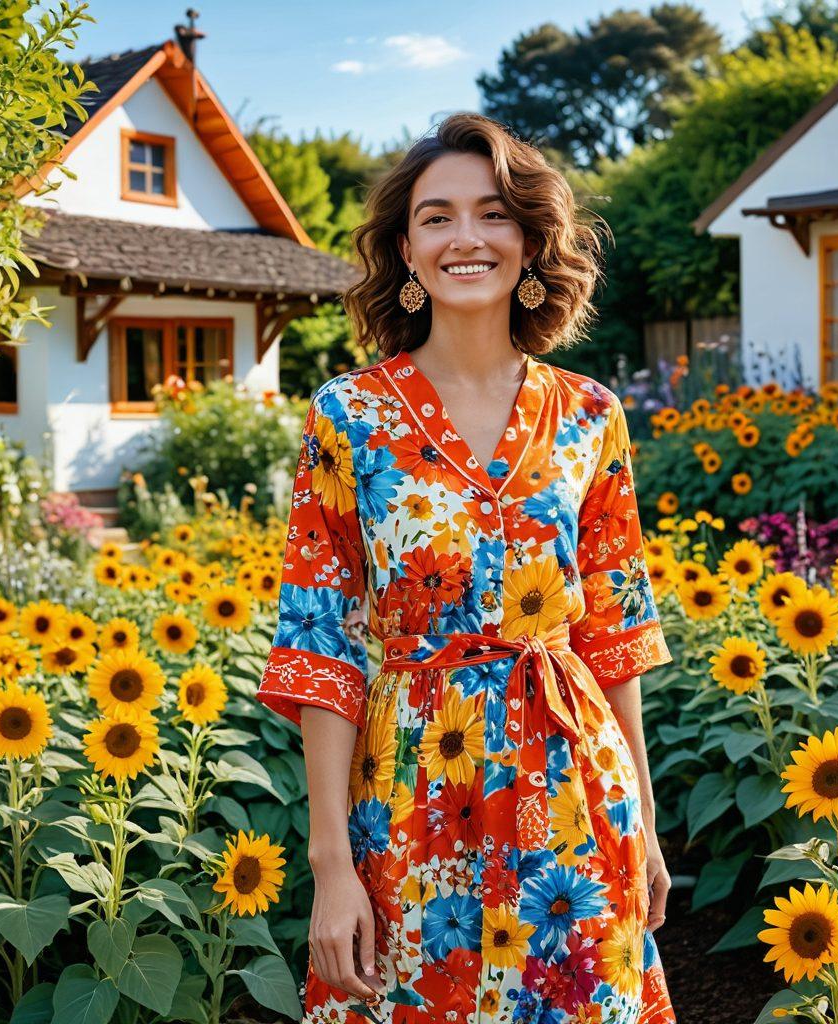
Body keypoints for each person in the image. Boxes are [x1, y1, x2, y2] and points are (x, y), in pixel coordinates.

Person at [257, 111, 677, 1024]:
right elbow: (318, 648)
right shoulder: (349, 417)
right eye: (437, 217)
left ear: (528, 241)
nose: (466, 238)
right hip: (413, 789)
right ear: (405, 250)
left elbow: (616, 632)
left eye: (491, 213)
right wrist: (333, 866)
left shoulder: (590, 415)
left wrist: (642, 817)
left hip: (576, 787)